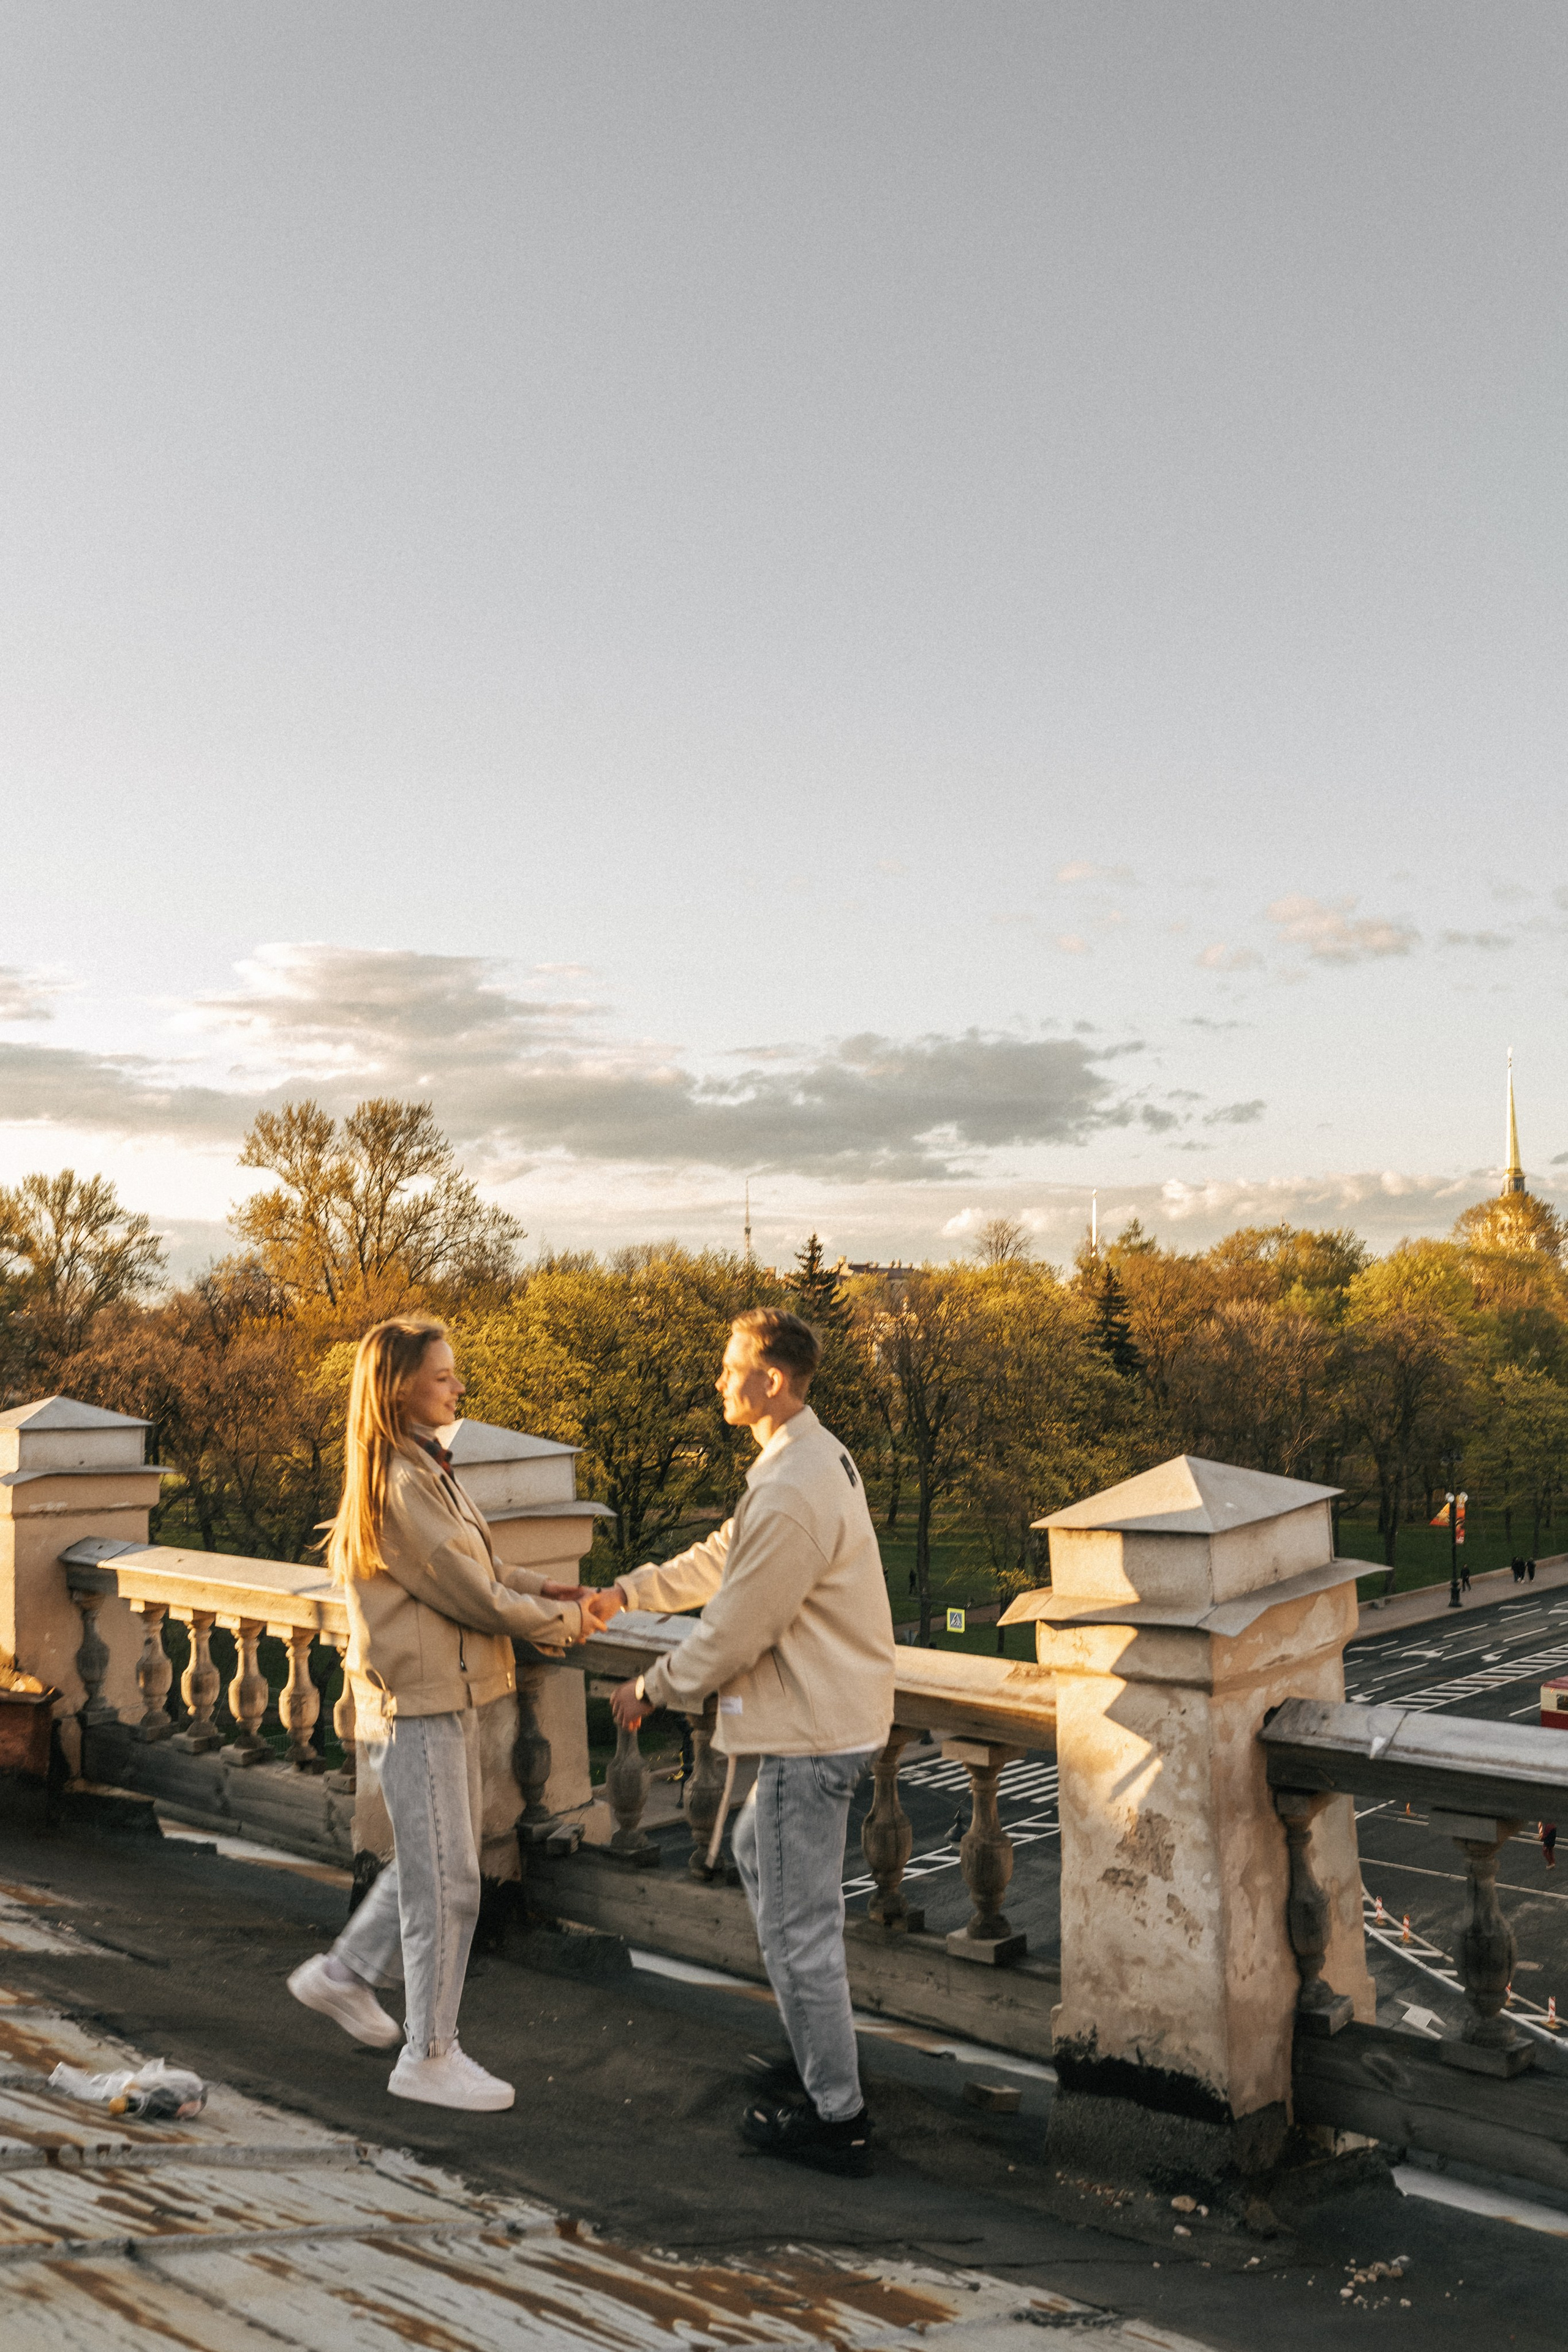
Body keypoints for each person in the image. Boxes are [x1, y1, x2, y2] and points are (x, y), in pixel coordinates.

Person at [586, 1307, 894, 2176]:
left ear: (773, 1380)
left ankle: (838, 2117)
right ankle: (819, 2055)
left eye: (730, 1367)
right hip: (820, 1721)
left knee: (799, 1931)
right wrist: (628, 1592)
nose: (719, 1381)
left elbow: (735, 1633)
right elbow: (730, 1556)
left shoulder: (796, 1483)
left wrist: (650, 1689)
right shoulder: (800, 1462)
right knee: (767, 1864)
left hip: (808, 1733)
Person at [288, 1317, 592, 2111]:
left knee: (430, 1864)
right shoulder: (401, 1481)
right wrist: (568, 1623)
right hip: (418, 1707)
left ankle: (344, 1973)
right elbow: (474, 1596)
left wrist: (547, 1586)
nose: (459, 1388)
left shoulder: (426, 1466)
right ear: (398, 1388)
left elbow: (481, 1564)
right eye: (443, 1377)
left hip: (445, 1697)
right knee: (450, 1885)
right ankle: (430, 2056)